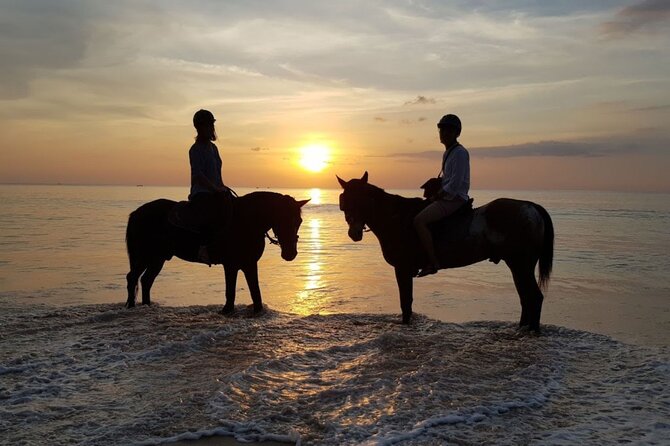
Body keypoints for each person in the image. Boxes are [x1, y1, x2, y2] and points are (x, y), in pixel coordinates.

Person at [413, 114, 470, 277]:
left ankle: (433, 262)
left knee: (419, 221)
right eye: (442, 129)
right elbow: (448, 179)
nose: (444, 133)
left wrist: (438, 195)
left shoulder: (459, 153)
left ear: (457, 133)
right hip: (448, 197)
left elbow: (456, 183)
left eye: (448, 130)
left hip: (454, 199)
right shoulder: (449, 153)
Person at [188, 109, 232, 265]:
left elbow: (217, 173)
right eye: (208, 126)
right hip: (201, 192)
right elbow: (198, 176)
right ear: (199, 128)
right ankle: (203, 247)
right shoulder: (195, 150)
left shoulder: (213, 148)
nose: (211, 129)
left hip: (215, 191)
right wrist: (214, 189)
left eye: (211, 125)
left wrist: (222, 187)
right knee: (209, 212)